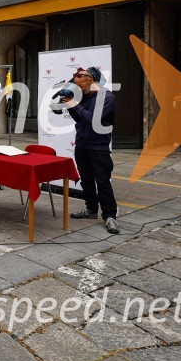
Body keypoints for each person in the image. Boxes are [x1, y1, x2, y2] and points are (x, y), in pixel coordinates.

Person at [65, 67, 120, 235]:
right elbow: (79, 118)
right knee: (86, 180)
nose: (79, 88)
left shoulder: (107, 97)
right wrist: (69, 106)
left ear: (91, 81)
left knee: (103, 182)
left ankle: (110, 216)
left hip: (99, 147)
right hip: (82, 145)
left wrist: (75, 105)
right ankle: (91, 209)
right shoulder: (85, 96)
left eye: (81, 85)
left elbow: (92, 119)